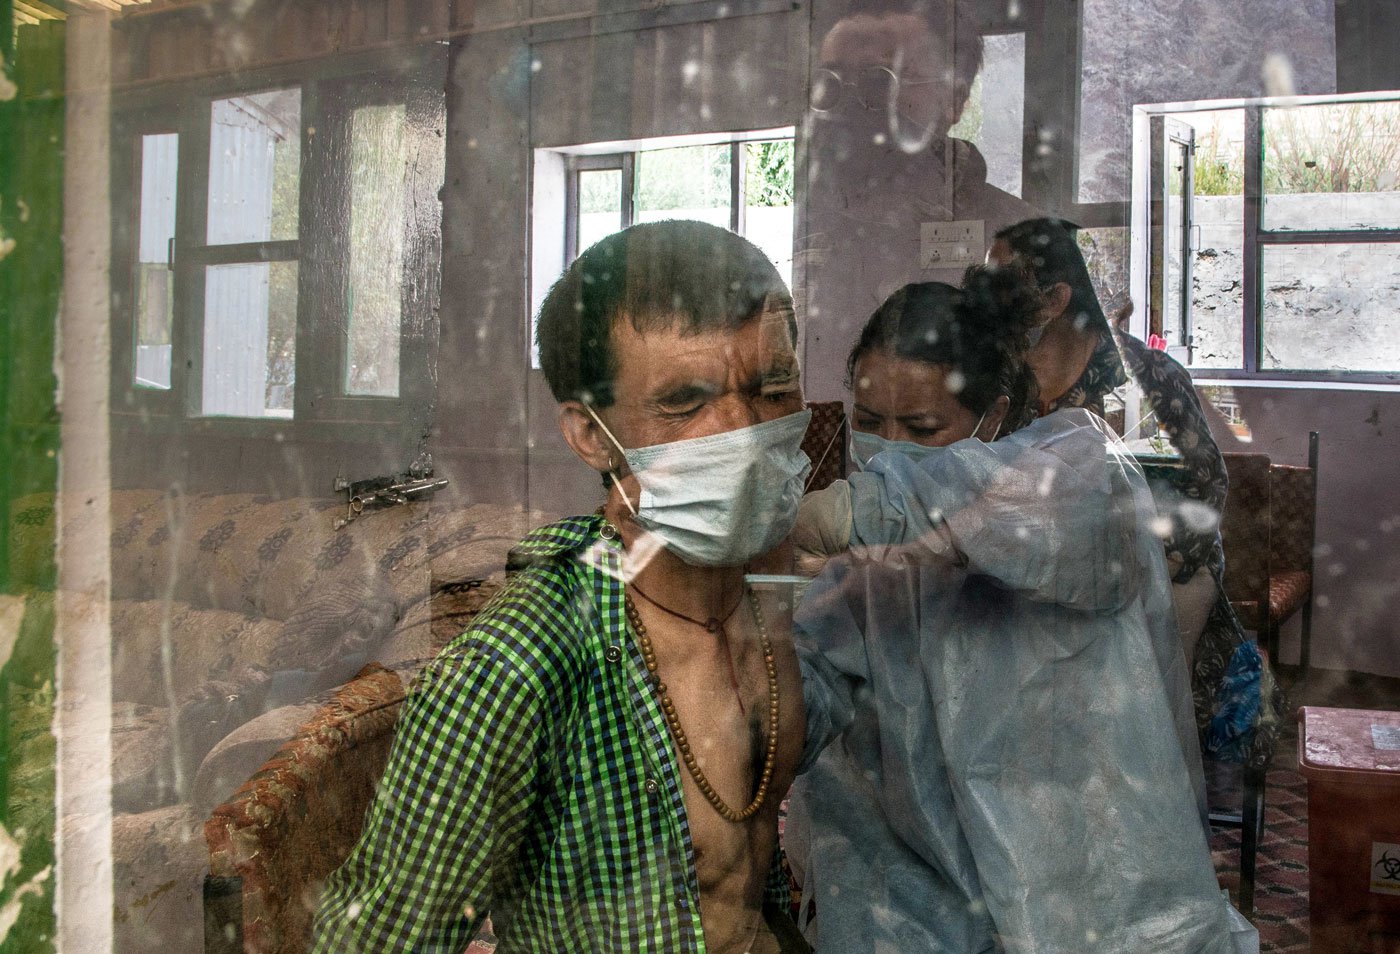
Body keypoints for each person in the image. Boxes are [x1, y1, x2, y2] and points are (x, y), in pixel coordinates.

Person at [311, 221, 812, 953]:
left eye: (773, 385)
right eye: (683, 402)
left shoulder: (770, 602)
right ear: (589, 436)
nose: (740, 428)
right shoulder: (510, 675)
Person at [786, 265, 1244, 952]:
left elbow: (1012, 503)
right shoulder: (862, 574)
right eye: (868, 422)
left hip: (1088, 900)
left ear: (994, 415)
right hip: (916, 913)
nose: (888, 449)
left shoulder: (1074, 471)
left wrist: (878, 512)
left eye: (920, 426)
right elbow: (805, 708)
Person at [989, 217, 1282, 768]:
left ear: (1055, 298)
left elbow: (1206, 483)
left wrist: (1150, 561)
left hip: (1160, 574)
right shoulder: (1002, 380)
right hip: (1043, 574)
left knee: (1144, 719)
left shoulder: (1141, 376)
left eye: (999, 281)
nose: (984, 296)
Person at [800, 0, 1038, 402]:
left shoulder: (1021, 239)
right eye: (832, 84)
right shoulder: (811, 227)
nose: (850, 109)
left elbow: (1046, 413)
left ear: (954, 98)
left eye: (880, 82)